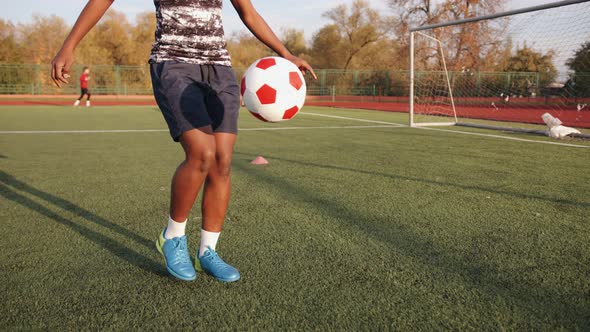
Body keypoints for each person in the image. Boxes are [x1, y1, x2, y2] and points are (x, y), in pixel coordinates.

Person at [51, 0, 316, 282]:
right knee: (202, 153)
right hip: (174, 65)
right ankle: (173, 237)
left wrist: (286, 53)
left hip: (219, 68)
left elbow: (248, 12)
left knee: (222, 162)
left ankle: (207, 252)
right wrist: (69, 45)